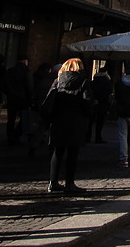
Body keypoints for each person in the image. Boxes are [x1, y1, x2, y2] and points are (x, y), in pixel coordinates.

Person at [44, 58, 93, 194]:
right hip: (76, 120)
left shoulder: (58, 80)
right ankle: (69, 183)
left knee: (57, 152)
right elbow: (87, 101)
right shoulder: (83, 81)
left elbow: (50, 99)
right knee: (72, 152)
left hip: (58, 119)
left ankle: (52, 182)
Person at [29, 62, 56, 157]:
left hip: (42, 107)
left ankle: (33, 146)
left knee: (41, 127)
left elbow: (36, 93)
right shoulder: (57, 82)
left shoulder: (43, 80)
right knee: (53, 129)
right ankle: (51, 148)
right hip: (52, 107)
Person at [4, 55, 32, 146]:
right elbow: (29, 85)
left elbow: (4, 84)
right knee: (24, 118)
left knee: (11, 119)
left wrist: (8, 93)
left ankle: (10, 136)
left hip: (11, 98)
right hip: (22, 98)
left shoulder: (10, 71)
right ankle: (17, 134)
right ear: (25, 62)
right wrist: (30, 96)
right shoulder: (26, 71)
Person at [89, 66, 113, 143]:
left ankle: (87, 137)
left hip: (94, 102)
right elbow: (109, 91)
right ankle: (98, 137)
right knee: (100, 122)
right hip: (103, 103)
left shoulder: (94, 80)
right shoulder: (107, 81)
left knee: (90, 121)